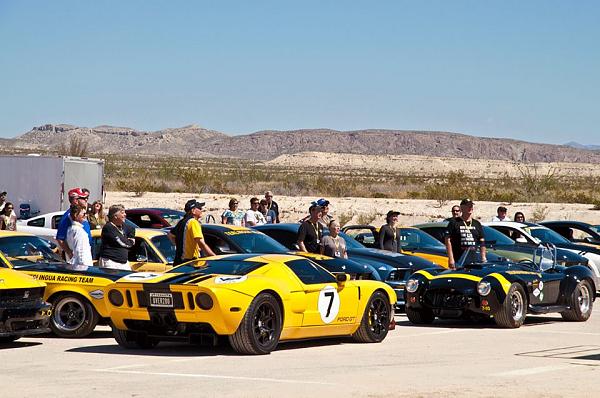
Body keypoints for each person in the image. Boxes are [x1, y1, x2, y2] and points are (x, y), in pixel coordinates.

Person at [170, 199, 215, 265]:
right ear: (193, 211)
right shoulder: (193, 222)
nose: (201, 210)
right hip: (189, 262)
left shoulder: (182, 222)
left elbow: (170, 235)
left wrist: (181, 246)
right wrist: (213, 256)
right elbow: (201, 243)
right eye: (199, 208)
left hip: (178, 262)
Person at [445, 198, 486, 269]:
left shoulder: (476, 223)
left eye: (471, 206)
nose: (470, 208)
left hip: (473, 260)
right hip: (459, 260)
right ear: (462, 208)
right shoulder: (454, 222)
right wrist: (451, 259)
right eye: (468, 206)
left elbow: (482, 241)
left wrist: (483, 257)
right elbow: (447, 240)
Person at [56, 188, 92, 259]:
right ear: (75, 200)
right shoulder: (68, 216)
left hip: (85, 251)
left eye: (86, 198)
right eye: (83, 198)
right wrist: (69, 253)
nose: (86, 200)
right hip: (77, 256)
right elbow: (60, 238)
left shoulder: (82, 213)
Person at [97, 204, 135, 270]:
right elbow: (122, 242)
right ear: (115, 216)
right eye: (122, 213)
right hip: (110, 262)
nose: (125, 215)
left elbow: (132, 230)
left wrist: (130, 240)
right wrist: (129, 242)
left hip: (124, 262)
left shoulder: (125, 227)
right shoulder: (108, 228)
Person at [65, 203, 93, 269]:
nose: (85, 216)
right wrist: (85, 266)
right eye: (83, 214)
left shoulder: (71, 229)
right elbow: (80, 251)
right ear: (75, 215)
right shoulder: (78, 231)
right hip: (82, 266)